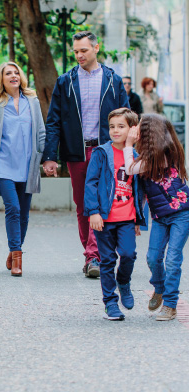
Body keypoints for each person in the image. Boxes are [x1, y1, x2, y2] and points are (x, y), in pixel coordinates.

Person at [43, 31, 130, 278]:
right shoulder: (65, 81)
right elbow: (54, 121)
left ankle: (94, 256)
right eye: (76, 51)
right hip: (77, 152)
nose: (79, 55)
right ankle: (93, 254)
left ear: (96, 48)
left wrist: (129, 151)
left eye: (84, 50)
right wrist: (51, 156)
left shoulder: (113, 80)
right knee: (83, 204)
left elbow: (128, 117)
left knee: (102, 201)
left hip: (106, 151)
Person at [0, 61, 45, 277]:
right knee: (13, 209)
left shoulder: (32, 101)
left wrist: (47, 159)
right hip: (4, 167)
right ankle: (17, 258)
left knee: (24, 214)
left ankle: (13, 249)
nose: (14, 76)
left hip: (27, 166)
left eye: (16, 72)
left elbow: (41, 133)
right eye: (9, 73)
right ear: (2, 79)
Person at [124, 114, 189, 321]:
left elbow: (130, 169)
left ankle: (170, 305)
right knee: (153, 258)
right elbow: (141, 192)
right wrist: (137, 219)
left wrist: (128, 144)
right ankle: (159, 288)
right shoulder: (148, 156)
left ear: (150, 133)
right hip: (160, 216)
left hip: (181, 214)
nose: (136, 130)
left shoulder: (163, 155)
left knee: (172, 260)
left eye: (140, 128)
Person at [84, 108, 146, 320]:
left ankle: (124, 282)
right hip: (104, 218)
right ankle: (110, 303)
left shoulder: (136, 156)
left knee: (128, 254)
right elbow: (90, 183)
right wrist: (93, 212)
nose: (115, 130)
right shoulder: (101, 153)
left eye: (121, 126)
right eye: (112, 126)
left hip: (127, 218)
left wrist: (138, 218)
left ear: (132, 130)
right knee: (107, 260)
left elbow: (139, 191)